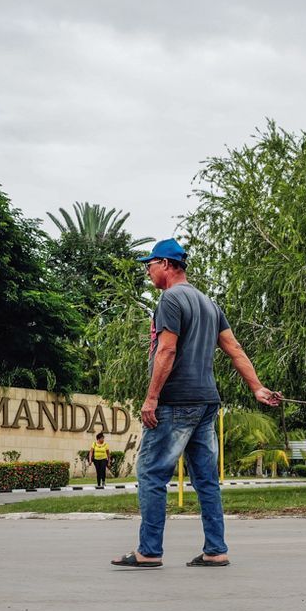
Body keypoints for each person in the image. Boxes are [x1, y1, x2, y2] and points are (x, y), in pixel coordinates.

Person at [112, 238, 281, 570]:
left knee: (151, 474)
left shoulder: (171, 300)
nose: (148, 272)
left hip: (176, 402)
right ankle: (215, 550)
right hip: (207, 403)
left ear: (166, 265)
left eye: (150, 265)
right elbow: (235, 349)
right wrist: (257, 388)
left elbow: (167, 351)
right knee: (205, 479)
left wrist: (151, 398)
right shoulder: (208, 303)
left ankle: (149, 551)